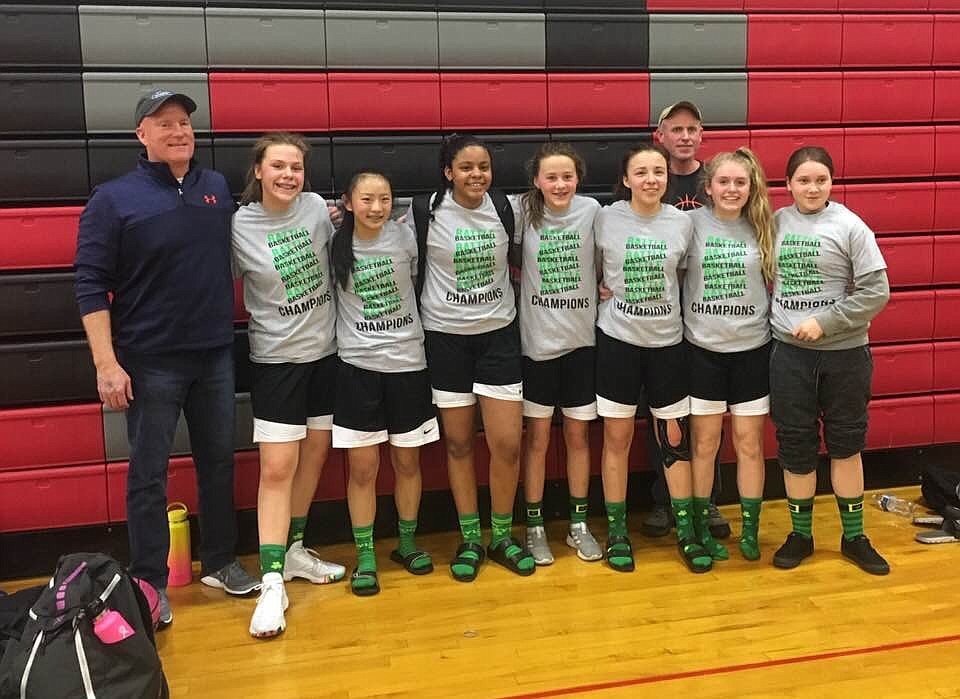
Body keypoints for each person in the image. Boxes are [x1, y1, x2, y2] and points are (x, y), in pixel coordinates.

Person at [74, 89, 259, 629]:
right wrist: (107, 364)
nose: (178, 131)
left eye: (184, 122)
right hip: (150, 361)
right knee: (148, 473)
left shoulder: (214, 187)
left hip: (214, 355)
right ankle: (149, 583)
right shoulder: (112, 199)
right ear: (142, 135)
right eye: (164, 124)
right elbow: (89, 286)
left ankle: (221, 560)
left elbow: (259, 225)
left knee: (219, 461)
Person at [232, 132, 346, 638]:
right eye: (278, 165)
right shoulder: (239, 225)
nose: (287, 175)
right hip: (276, 360)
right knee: (278, 467)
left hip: (325, 354)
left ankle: (295, 549)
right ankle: (272, 578)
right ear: (258, 170)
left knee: (316, 454)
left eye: (296, 167)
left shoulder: (319, 209)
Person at [407, 133, 534, 581]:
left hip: (498, 337)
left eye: (483, 167)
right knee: (459, 444)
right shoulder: (423, 212)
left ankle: (501, 535)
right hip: (445, 341)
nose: (476, 175)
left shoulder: (507, 208)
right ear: (448, 172)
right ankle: (469, 538)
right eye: (466, 167)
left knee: (507, 443)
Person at [769, 146, 890, 575]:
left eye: (820, 179)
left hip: (845, 356)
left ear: (832, 183)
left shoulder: (851, 226)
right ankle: (801, 535)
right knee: (796, 446)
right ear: (787, 185)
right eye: (803, 180)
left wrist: (826, 322)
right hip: (789, 356)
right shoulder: (775, 222)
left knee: (846, 444)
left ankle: (854, 536)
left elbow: (877, 292)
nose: (812, 187)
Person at [595, 142, 707, 573]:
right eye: (640, 172)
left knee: (674, 441)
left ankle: (686, 530)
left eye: (658, 172)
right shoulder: (604, 218)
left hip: (667, 344)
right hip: (617, 342)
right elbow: (589, 267)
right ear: (626, 179)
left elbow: (682, 276)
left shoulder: (683, 223)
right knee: (617, 440)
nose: (651, 180)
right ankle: (618, 532)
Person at [330, 170, 439, 596]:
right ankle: (366, 555)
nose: (376, 208)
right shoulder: (332, 241)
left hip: (408, 365)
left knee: (408, 463)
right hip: (357, 368)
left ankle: (407, 543)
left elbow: (417, 282)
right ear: (349, 202)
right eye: (367, 199)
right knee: (363, 469)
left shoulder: (405, 237)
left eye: (384, 199)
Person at [682, 148, 775, 562]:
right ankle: (701, 526)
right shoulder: (689, 225)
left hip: (752, 350)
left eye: (740, 182)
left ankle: (750, 530)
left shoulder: (765, 227)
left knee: (749, 444)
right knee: (704, 444)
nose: (732, 189)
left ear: (751, 187)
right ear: (708, 187)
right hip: (702, 350)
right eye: (724, 182)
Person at [644, 100, 730, 540]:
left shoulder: (719, 179)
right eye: (675, 129)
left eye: (692, 128)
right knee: (665, 416)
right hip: (657, 320)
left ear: (702, 134)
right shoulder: (646, 176)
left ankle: (708, 501)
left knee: (707, 417)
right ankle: (665, 499)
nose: (684, 136)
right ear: (660, 136)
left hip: (706, 318)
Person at [514, 142, 603, 565]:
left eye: (567, 176)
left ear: (577, 178)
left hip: (582, 344)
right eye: (551, 176)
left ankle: (578, 525)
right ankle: (534, 528)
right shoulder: (519, 212)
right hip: (537, 348)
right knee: (538, 439)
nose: (560, 184)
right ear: (537, 181)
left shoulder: (593, 212)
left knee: (577, 437)